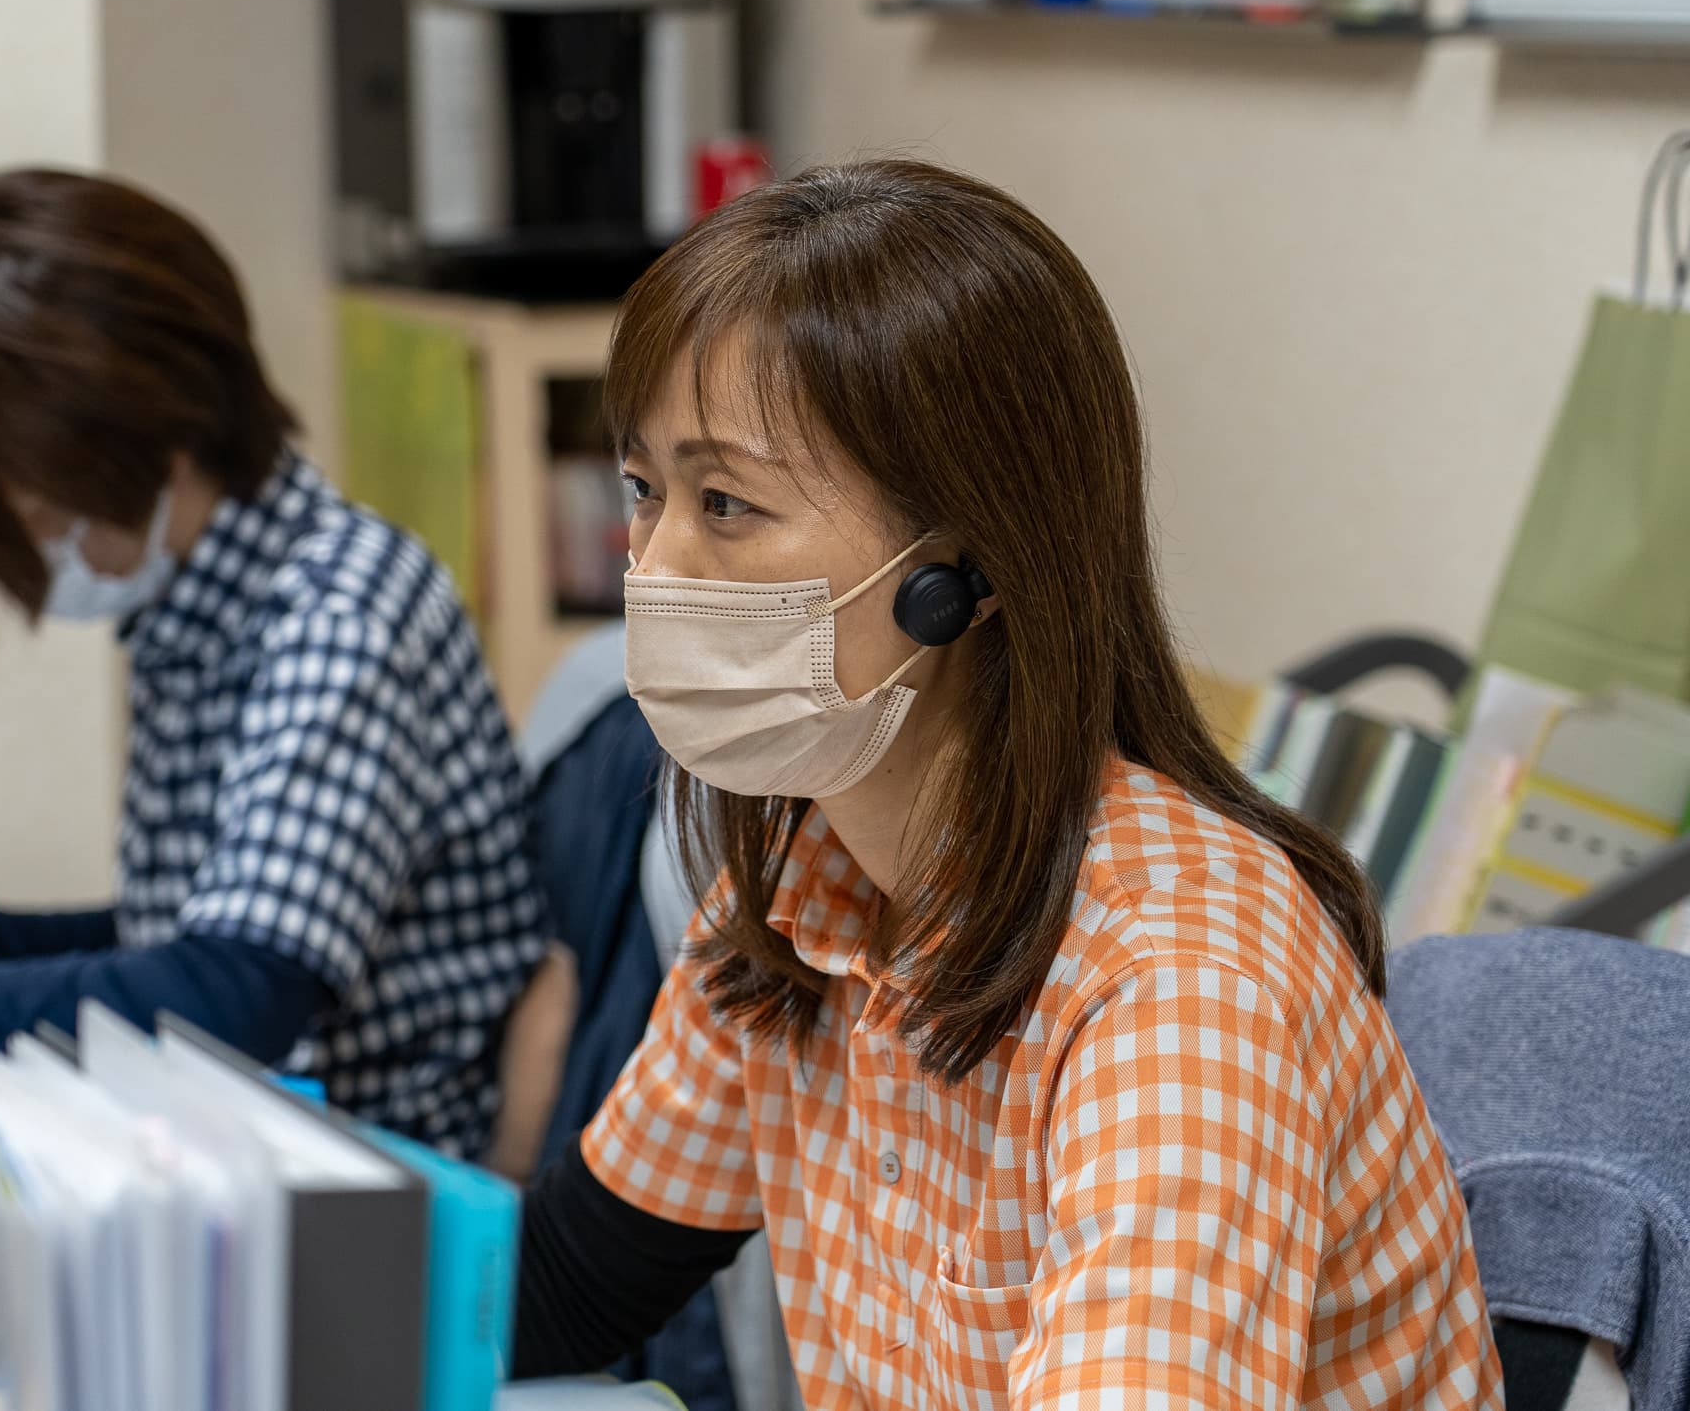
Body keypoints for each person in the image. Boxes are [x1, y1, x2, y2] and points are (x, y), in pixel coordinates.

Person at [512, 161, 1503, 1406]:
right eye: (643, 494)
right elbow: (569, 1282)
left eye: (726, 503)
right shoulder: (799, 885)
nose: (652, 569)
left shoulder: (1177, 976)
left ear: (962, 570)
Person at [0, 169, 546, 1159]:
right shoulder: (208, 605)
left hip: (369, 1196)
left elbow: (227, 997)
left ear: (155, 441)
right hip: (251, 1154)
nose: (34, 562)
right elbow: (180, 933)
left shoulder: (339, 615)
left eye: (37, 519)